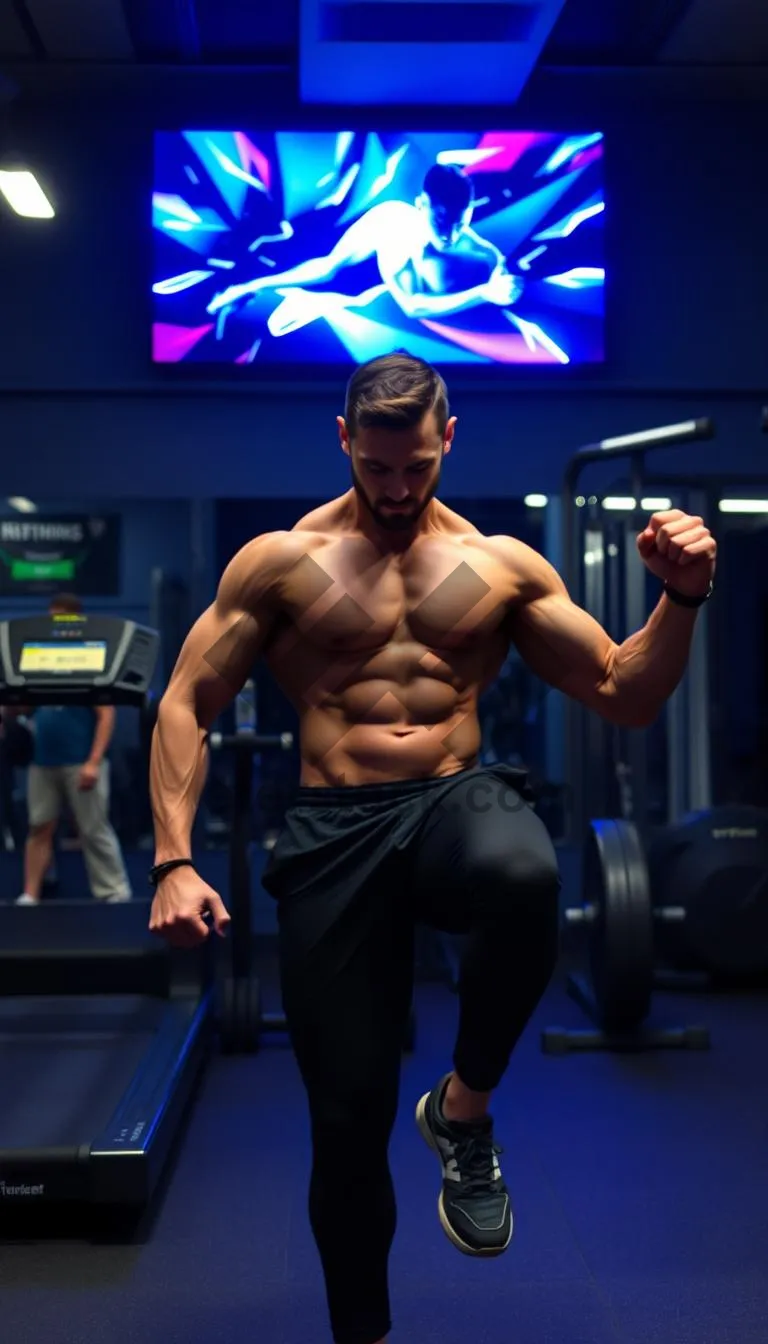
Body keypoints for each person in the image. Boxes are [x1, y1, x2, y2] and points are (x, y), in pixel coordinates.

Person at [147, 353, 716, 1344]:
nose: (399, 489)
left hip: (454, 799)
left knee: (522, 867)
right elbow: (187, 700)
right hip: (335, 828)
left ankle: (464, 1110)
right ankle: (362, 1332)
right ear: (343, 444)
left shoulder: (501, 567)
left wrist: (684, 600)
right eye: (377, 469)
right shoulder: (280, 561)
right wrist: (173, 857)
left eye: (416, 467)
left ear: (449, 438)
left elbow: (625, 690)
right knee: (346, 1122)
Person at [206, 164, 523, 336]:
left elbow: (497, 268)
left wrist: (507, 285)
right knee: (277, 327)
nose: (451, 234)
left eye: (460, 222)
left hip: (399, 339)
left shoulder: (479, 250)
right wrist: (250, 286)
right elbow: (411, 305)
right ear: (422, 204)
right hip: (339, 305)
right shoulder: (396, 225)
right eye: (442, 220)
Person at [14, 592, 132, 906]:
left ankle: (114, 892)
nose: (55, 624)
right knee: (39, 827)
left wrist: (93, 761)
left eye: (62, 619)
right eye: (51, 618)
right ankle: (30, 893)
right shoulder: (39, 660)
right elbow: (24, 708)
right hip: (44, 760)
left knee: (93, 829)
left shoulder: (89, 659)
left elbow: (107, 714)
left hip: (81, 760)